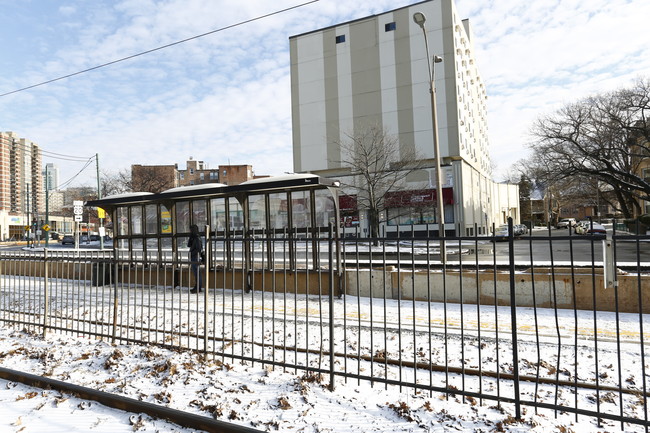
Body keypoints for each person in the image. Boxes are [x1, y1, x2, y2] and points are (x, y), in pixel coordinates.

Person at [187, 224, 203, 293]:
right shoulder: (194, 237)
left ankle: (198, 287)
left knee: (197, 273)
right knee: (196, 273)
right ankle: (197, 287)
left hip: (195, 257)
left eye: (190, 230)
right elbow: (189, 245)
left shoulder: (196, 237)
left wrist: (193, 253)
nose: (189, 231)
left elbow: (199, 248)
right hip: (194, 256)